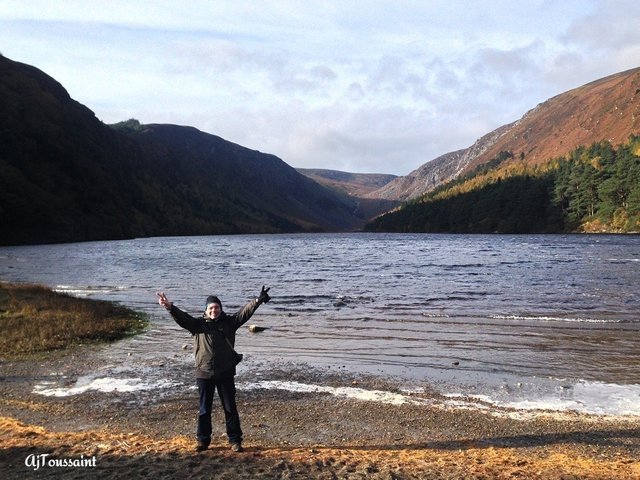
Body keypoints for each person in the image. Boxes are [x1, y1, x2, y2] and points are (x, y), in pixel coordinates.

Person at [157, 286, 271, 453]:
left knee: (230, 408)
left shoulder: (229, 323)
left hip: (225, 372)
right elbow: (182, 318)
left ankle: (235, 441)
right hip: (204, 373)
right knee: (204, 409)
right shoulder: (197, 325)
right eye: (211, 308)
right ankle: (203, 440)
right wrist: (170, 307)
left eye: (217, 307)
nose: (214, 310)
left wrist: (257, 301)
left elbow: (244, 313)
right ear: (206, 310)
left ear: (220, 309)